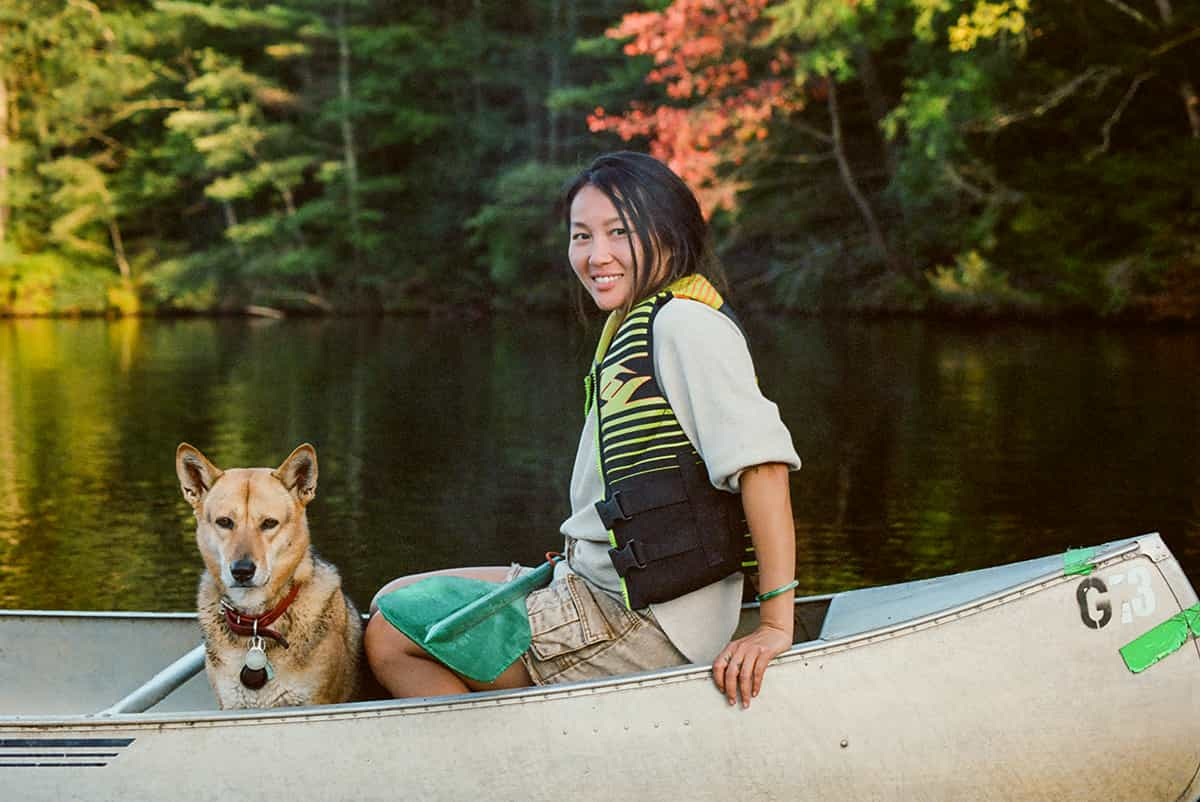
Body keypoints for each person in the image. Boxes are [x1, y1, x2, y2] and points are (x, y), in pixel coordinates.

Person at [363, 151, 801, 709]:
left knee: (391, 636)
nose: (597, 256)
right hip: (595, 580)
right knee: (391, 596)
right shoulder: (636, 323)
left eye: (620, 233)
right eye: (581, 236)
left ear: (669, 232)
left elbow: (761, 468)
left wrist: (773, 625)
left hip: (643, 621)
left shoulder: (685, 325)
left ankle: (493, 771)